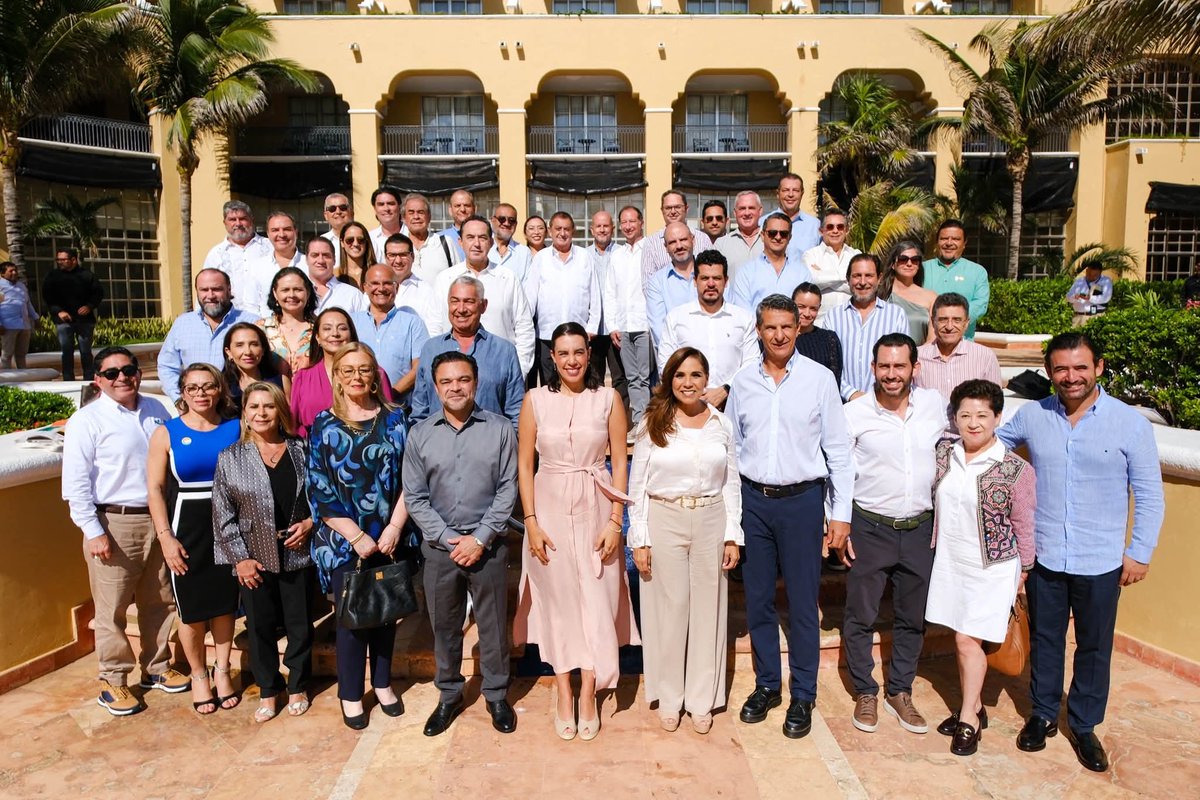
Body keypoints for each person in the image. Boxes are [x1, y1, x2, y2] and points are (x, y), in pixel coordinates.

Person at [998, 332, 1164, 773]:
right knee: (1047, 640)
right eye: (1061, 369)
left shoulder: (1130, 423)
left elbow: (1149, 493)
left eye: (1079, 368)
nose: (1070, 377)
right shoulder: (1033, 416)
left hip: (1102, 558)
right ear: (1049, 372)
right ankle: (1043, 714)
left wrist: (1140, 551)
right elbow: (992, 444)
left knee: (1093, 646)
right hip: (1047, 554)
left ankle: (1086, 725)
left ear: (1099, 368)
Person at [725, 294, 853, 740]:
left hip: (802, 502)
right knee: (758, 599)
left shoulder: (819, 380)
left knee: (802, 603)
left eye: (786, 327)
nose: (778, 335)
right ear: (758, 331)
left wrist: (840, 515)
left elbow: (838, 451)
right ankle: (767, 686)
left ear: (798, 328)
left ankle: (803, 692)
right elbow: (732, 450)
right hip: (755, 502)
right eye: (770, 327)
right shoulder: (742, 383)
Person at [514, 322, 639, 741]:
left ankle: (590, 690)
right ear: (552, 356)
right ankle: (563, 689)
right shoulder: (534, 400)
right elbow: (524, 467)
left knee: (596, 599)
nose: (571, 360)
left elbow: (620, 462)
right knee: (559, 602)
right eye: (563, 353)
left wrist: (615, 522)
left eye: (579, 352)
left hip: (596, 502)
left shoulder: (608, 398)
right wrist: (530, 522)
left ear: (590, 354)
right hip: (548, 505)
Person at [61, 346, 186, 716]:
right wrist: (93, 530)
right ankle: (113, 679)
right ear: (98, 380)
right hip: (113, 522)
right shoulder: (88, 420)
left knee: (159, 597)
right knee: (111, 606)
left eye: (128, 370)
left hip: (158, 518)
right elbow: (75, 484)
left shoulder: (155, 410)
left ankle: (158, 668)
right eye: (112, 373)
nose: (122, 378)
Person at [404, 352, 519, 737]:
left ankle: (496, 695)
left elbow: (508, 489)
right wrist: (448, 538)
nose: (456, 387)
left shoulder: (501, 429)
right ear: (435, 387)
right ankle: (449, 694)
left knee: (493, 626)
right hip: (441, 550)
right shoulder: (420, 434)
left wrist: (480, 538)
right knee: (445, 627)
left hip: (487, 547)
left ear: (476, 381)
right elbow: (415, 497)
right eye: (447, 381)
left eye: (463, 379)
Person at [838, 334, 947, 738]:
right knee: (860, 614)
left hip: (920, 528)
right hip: (869, 527)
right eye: (884, 366)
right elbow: (840, 472)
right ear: (873, 368)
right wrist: (839, 522)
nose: (891, 374)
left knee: (912, 618)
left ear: (914, 368)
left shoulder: (934, 406)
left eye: (900, 366)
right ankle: (866, 691)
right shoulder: (854, 413)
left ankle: (900, 690)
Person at [628, 347, 742, 734]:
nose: (688, 383)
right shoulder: (652, 424)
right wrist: (639, 537)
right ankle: (670, 696)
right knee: (671, 608)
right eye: (680, 375)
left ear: (706, 380)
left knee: (708, 607)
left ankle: (700, 699)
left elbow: (732, 482)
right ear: (669, 380)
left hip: (711, 516)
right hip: (665, 517)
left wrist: (732, 535)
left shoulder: (721, 424)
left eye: (695, 375)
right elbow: (638, 484)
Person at [926, 379, 1036, 756]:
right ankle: (974, 705)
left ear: (997, 418)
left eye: (982, 415)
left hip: (993, 567)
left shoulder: (1015, 469)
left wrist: (1025, 569)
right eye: (965, 415)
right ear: (954, 418)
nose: (973, 423)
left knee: (966, 640)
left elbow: (1024, 523)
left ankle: (969, 717)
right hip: (951, 560)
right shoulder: (944, 454)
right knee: (962, 636)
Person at [307, 343, 413, 730]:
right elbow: (319, 488)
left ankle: (382, 684)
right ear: (336, 376)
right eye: (348, 370)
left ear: (375, 375)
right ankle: (351, 693)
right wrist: (355, 537)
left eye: (364, 369)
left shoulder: (397, 420)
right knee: (352, 619)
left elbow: (411, 479)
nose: (356, 377)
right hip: (343, 540)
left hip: (389, 536)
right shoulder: (323, 423)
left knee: (386, 615)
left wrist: (394, 527)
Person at [212, 381, 315, 723]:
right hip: (253, 556)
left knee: (300, 625)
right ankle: (269, 690)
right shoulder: (231, 458)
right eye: (254, 407)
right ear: (244, 414)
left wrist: (312, 523)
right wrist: (240, 559)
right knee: (259, 628)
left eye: (268, 406)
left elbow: (320, 493)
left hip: (296, 550)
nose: (261, 413)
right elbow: (223, 514)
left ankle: (298, 685)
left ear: (280, 411)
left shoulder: (301, 448)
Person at [147, 363, 242, 715]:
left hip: (228, 520)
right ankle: (199, 675)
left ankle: (222, 670)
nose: (200, 393)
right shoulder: (166, 433)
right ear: (183, 393)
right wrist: (165, 537)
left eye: (207, 386)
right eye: (192, 388)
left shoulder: (236, 427)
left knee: (223, 601)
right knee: (191, 606)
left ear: (219, 390)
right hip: (186, 522)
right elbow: (155, 490)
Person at [410, 274, 524, 427]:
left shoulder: (504, 351)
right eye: (455, 301)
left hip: (490, 445)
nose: (461, 309)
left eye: (469, 301)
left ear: (483, 306)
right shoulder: (431, 349)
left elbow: (516, 412)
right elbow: (420, 410)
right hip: (438, 446)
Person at [431, 216, 537, 376]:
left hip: (500, 371)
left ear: (491, 242)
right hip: (454, 375)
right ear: (460, 242)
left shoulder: (507, 278)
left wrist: (518, 371)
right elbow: (435, 327)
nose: (476, 244)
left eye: (482, 238)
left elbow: (524, 328)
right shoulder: (445, 279)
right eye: (470, 237)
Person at [658, 250, 757, 412]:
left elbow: (751, 364)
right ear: (695, 281)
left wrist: (725, 390)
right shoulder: (676, 318)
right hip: (686, 407)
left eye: (717, 278)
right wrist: (693, 393)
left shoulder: (744, 319)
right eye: (704, 278)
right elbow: (666, 365)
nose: (711, 284)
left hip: (732, 405)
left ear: (726, 281)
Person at [157, 269, 258, 402]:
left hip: (239, 406)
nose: (210, 295)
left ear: (229, 289)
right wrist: (180, 400)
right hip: (196, 408)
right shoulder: (182, 323)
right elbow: (167, 366)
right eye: (204, 290)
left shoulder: (252, 322)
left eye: (216, 289)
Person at [290, 307, 394, 436]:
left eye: (342, 328)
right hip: (315, 451)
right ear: (317, 337)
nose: (335, 333)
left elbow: (390, 421)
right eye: (327, 328)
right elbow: (294, 425)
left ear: (351, 334)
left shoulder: (375, 373)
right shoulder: (303, 377)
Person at [527, 212, 603, 383]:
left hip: (578, 334)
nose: (562, 233)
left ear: (573, 231)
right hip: (547, 336)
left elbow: (594, 294)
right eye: (558, 229)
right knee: (550, 385)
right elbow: (530, 297)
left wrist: (591, 327)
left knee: (578, 382)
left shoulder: (585, 257)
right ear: (550, 231)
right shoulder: (541, 258)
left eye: (566, 229)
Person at [823, 254, 910, 401]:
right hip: (842, 404)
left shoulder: (896, 315)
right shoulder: (834, 316)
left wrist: (879, 396)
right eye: (857, 276)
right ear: (848, 279)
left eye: (869, 276)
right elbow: (827, 363)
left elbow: (903, 361)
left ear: (879, 278)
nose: (863, 282)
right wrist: (851, 393)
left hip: (885, 403)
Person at [351, 264, 430, 403]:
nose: (381, 288)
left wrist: (389, 394)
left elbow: (419, 367)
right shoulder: (352, 321)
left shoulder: (413, 323)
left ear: (397, 287)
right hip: (357, 406)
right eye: (375, 283)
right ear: (365, 287)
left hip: (399, 407)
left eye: (387, 283)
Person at [604, 206, 651, 427]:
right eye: (624, 222)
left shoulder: (651, 249)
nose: (628, 226)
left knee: (647, 377)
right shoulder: (617, 255)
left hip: (645, 324)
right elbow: (610, 292)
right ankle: (639, 421)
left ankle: (652, 421)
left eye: (632, 221)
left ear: (641, 222)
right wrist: (613, 325)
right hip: (624, 326)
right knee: (632, 377)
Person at [915, 293, 1002, 402]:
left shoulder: (985, 357)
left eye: (957, 320)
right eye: (943, 319)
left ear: (966, 323)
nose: (949, 327)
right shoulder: (917, 357)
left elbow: (995, 403)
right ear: (933, 322)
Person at [728, 213, 814, 314]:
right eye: (772, 233)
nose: (778, 237)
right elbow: (743, 313)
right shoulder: (746, 273)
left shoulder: (802, 273)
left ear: (789, 238)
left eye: (783, 233)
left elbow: (805, 311)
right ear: (762, 236)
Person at [42, 247, 103, 381]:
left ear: (73, 260)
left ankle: (89, 378)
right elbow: (48, 297)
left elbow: (98, 293)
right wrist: (59, 311)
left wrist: (89, 306)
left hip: (84, 321)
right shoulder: (53, 276)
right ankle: (68, 379)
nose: (60, 262)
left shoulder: (87, 275)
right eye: (58, 260)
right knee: (66, 351)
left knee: (86, 352)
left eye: (63, 259)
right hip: (63, 321)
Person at [201, 201, 273, 314]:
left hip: (267, 318)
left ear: (251, 220)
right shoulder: (216, 254)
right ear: (224, 222)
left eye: (243, 218)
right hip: (229, 320)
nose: (238, 223)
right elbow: (204, 287)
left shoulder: (270, 247)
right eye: (232, 219)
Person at [922, 220, 990, 340]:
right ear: (937, 242)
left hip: (963, 344)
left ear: (964, 243)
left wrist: (952, 320)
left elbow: (980, 305)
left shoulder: (977, 272)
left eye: (955, 239)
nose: (949, 243)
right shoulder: (922, 269)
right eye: (944, 238)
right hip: (926, 344)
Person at [588, 210, 626, 403]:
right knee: (594, 377)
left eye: (606, 226)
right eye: (598, 226)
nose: (602, 230)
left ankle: (621, 420)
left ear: (613, 228)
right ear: (591, 229)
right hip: (592, 330)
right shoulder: (583, 255)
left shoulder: (622, 253)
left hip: (616, 328)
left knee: (620, 376)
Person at [640, 190, 714, 285]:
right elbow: (648, 283)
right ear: (662, 211)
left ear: (686, 209)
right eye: (668, 208)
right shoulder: (651, 242)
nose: (673, 211)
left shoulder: (702, 239)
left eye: (677, 207)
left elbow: (713, 271)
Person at [645, 222, 700, 347]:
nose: (679, 246)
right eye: (672, 242)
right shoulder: (657, 282)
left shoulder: (710, 275)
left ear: (693, 240)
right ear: (666, 247)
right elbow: (659, 329)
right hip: (675, 358)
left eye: (683, 239)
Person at [799, 209, 858, 321]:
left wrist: (823, 277)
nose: (835, 231)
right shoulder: (810, 255)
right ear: (821, 231)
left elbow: (859, 287)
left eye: (840, 227)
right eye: (830, 227)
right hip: (820, 322)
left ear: (846, 230)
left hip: (851, 321)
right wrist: (846, 276)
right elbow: (812, 283)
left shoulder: (856, 254)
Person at [255, 266, 317, 374]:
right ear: (275, 293)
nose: (292, 295)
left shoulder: (321, 327)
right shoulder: (260, 329)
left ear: (308, 292)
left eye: (298, 289)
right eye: (285, 290)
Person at [879, 240, 938, 344]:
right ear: (893, 264)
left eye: (915, 260)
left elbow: (932, 338)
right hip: (883, 357)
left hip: (919, 356)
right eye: (903, 259)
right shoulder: (879, 294)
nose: (909, 264)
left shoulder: (931, 297)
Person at [221, 322, 289, 406]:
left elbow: (289, 416)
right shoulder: (221, 386)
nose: (248, 352)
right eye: (239, 345)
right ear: (229, 352)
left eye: (254, 344)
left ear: (263, 349)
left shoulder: (281, 382)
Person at [383, 233, 439, 335]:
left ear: (412, 257)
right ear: (385, 258)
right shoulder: (376, 290)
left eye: (403, 255)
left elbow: (434, 330)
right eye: (392, 255)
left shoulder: (426, 291)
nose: (398, 261)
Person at [791, 282, 843, 387]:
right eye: (801, 307)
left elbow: (834, 381)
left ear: (819, 308)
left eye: (813, 309)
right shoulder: (782, 338)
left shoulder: (829, 339)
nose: (807, 313)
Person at [305, 237, 366, 316]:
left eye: (326, 255)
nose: (321, 260)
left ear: (334, 260)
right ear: (306, 259)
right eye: (315, 255)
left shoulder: (353, 295)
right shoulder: (296, 293)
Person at [763, 172, 821, 254]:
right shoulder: (763, 222)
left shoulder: (815, 225)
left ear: (802, 194)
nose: (790, 194)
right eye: (786, 190)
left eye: (795, 190)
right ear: (778, 194)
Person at [714, 191, 764, 283]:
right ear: (735, 213)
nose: (747, 213)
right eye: (742, 208)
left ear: (760, 211)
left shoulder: (772, 241)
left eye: (751, 208)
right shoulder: (721, 244)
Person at [403, 193, 451, 283]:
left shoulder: (445, 242)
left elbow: (457, 276)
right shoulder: (397, 246)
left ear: (429, 217)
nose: (416, 217)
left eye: (421, 212)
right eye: (411, 212)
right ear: (404, 218)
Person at [0, 261, 39, 369]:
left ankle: (22, 376)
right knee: (7, 354)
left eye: (15, 270)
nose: (14, 272)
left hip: (24, 325)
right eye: (10, 271)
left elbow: (28, 303)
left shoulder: (21, 285)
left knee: (21, 354)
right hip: (8, 326)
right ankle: (6, 380)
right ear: (3, 274)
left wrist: (36, 318)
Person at [488, 202, 532, 284]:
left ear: (516, 224)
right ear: (492, 220)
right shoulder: (482, 249)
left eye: (511, 220)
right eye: (502, 219)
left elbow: (527, 289)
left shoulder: (524, 253)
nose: (507, 223)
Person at [1066, 261, 1113, 327]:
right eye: (1089, 274)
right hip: (1079, 317)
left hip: (1097, 316)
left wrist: (1090, 298)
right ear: (1086, 271)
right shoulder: (1079, 281)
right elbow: (1068, 296)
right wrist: (1074, 297)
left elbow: (1105, 298)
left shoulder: (1105, 281)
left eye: (1095, 275)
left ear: (1100, 272)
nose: (1091, 277)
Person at [337, 220, 377, 289]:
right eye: (350, 240)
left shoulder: (377, 272)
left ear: (366, 242)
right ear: (342, 243)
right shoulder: (334, 274)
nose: (355, 244)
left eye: (360, 240)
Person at [368, 187, 403, 261]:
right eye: (381, 204)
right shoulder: (369, 239)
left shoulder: (412, 235)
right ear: (375, 208)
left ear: (399, 207)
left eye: (390, 204)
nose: (386, 209)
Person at [320, 192, 353, 269]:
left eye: (343, 207)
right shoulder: (321, 242)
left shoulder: (364, 239)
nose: (338, 212)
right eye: (332, 209)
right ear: (326, 215)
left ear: (351, 212)